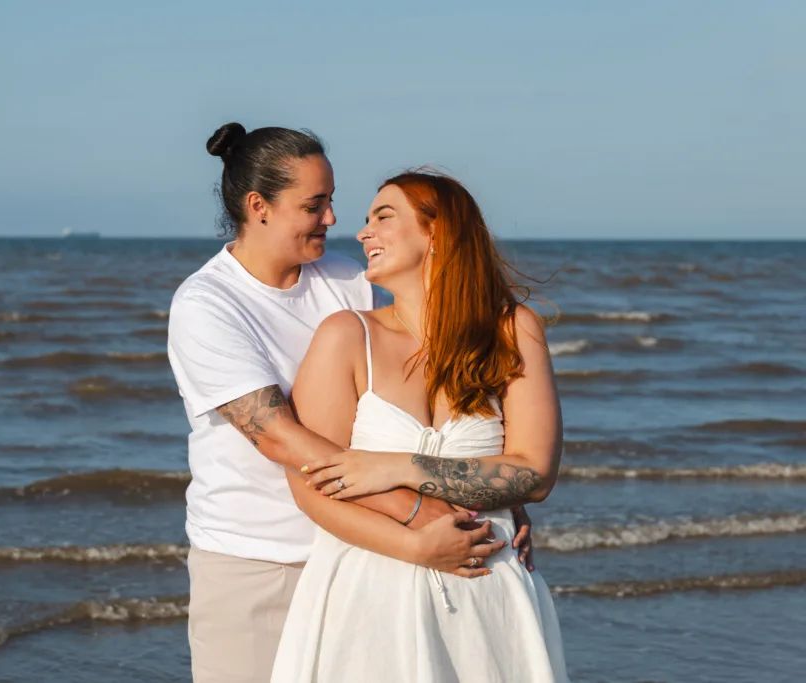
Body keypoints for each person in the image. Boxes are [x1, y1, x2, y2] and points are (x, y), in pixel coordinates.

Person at [167, 124, 535, 683]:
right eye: (314, 205)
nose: (334, 219)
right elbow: (277, 436)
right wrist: (416, 510)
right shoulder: (208, 303)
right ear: (258, 206)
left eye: (332, 200)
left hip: (358, 556)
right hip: (259, 558)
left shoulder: (345, 280)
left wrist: (492, 490)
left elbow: (415, 388)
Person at [270, 170, 569, 683]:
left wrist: (396, 468)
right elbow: (312, 491)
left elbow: (534, 475)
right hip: (369, 588)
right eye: (366, 221)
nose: (363, 233)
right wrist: (414, 548)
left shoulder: (513, 330)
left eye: (383, 217)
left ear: (439, 233)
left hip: (487, 581)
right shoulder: (346, 336)